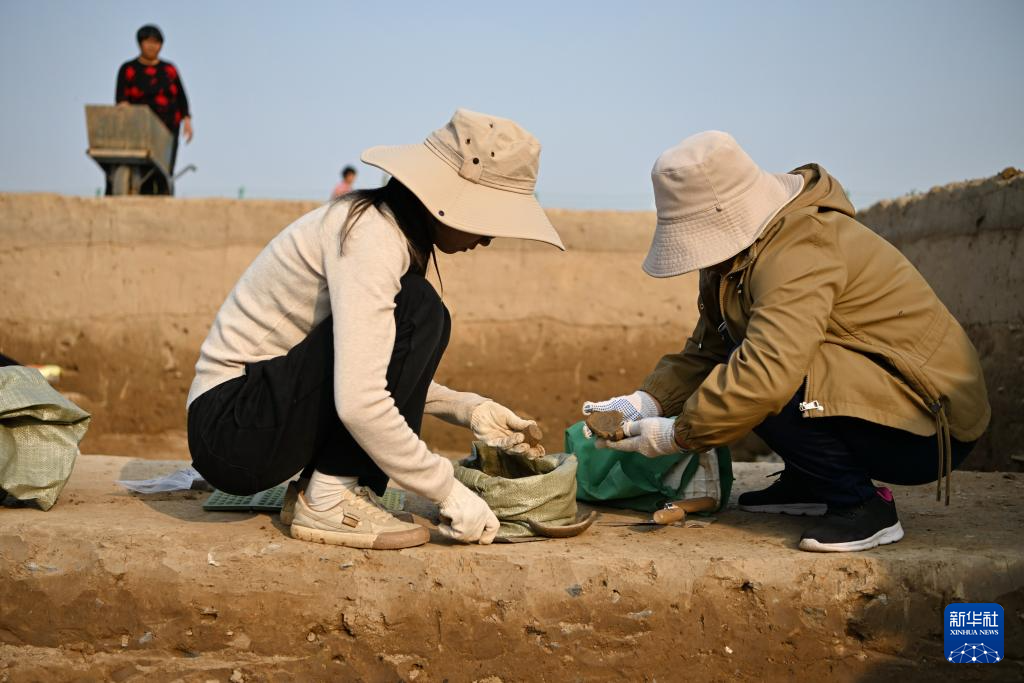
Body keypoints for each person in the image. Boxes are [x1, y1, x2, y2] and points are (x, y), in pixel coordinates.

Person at [584, 131, 989, 553]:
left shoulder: (801, 246)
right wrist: (645, 402)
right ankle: (811, 481)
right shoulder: (734, 260)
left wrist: (679, 435)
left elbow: (767, 373)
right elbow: (709, 349)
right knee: (747, 365)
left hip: (926, 426)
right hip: (885, 402)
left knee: (762, 378)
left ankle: (861, 506)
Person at [186, 109, 565, 550]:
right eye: (489, 219)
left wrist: (468, 409)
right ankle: (329, 496)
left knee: (426, 314)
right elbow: (360, 400)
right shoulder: (370, 236)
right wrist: (446, 488)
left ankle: (327, 488)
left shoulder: (384, 229)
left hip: (251, 418)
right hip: (230, 428)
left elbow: (367, 364)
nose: (489, 239)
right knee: (420, 311)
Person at [116, 24, 192, 175]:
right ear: (140, 44)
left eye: (156, 43)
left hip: (168, 126)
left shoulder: (169, 70)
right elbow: (121, 98)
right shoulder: (128, 69)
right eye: (148, 42)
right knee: (140, 167)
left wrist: (187, 121)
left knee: (164, 168)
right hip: (139, 126)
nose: (152, 46)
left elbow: (181, 96)